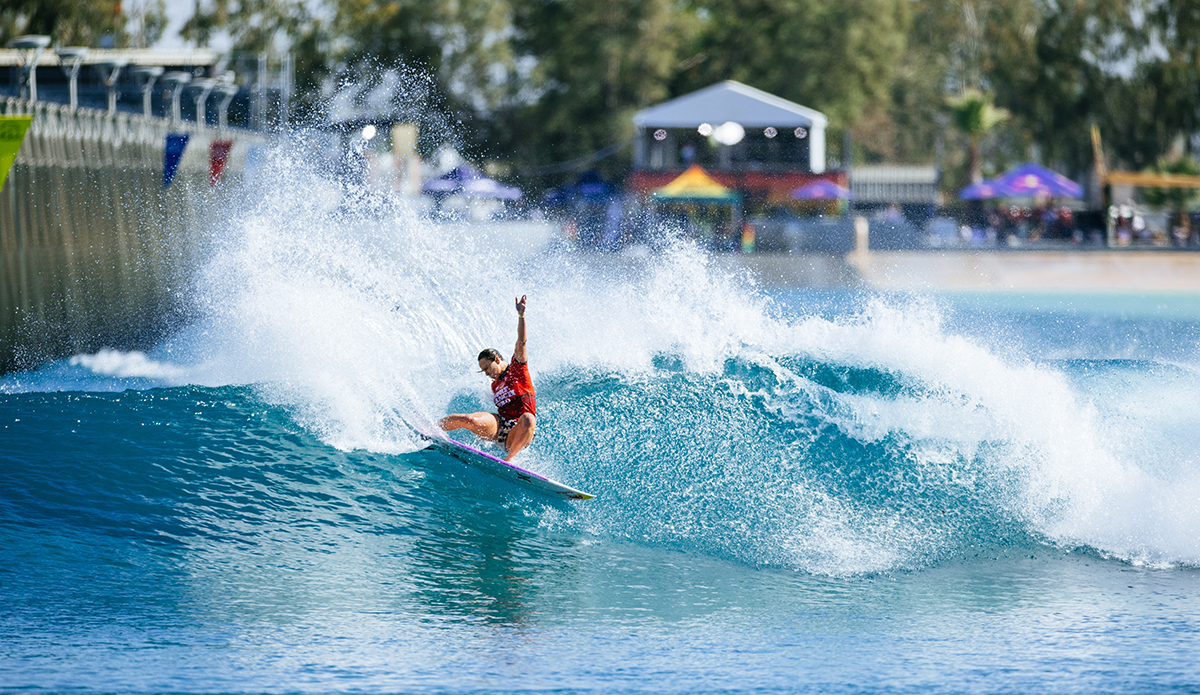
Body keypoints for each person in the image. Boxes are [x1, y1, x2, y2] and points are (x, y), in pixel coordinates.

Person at [439, 295, 537, 461]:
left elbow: (521, 342)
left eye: (486, 368)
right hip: (500, 425)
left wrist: (521, 316)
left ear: (497, 360)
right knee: (466, 419)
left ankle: (509, 460)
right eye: (482, 370)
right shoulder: (495, 384)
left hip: (519, 432)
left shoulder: (517, 370)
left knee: (528, 418)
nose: (485, 373)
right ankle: (429, 429)